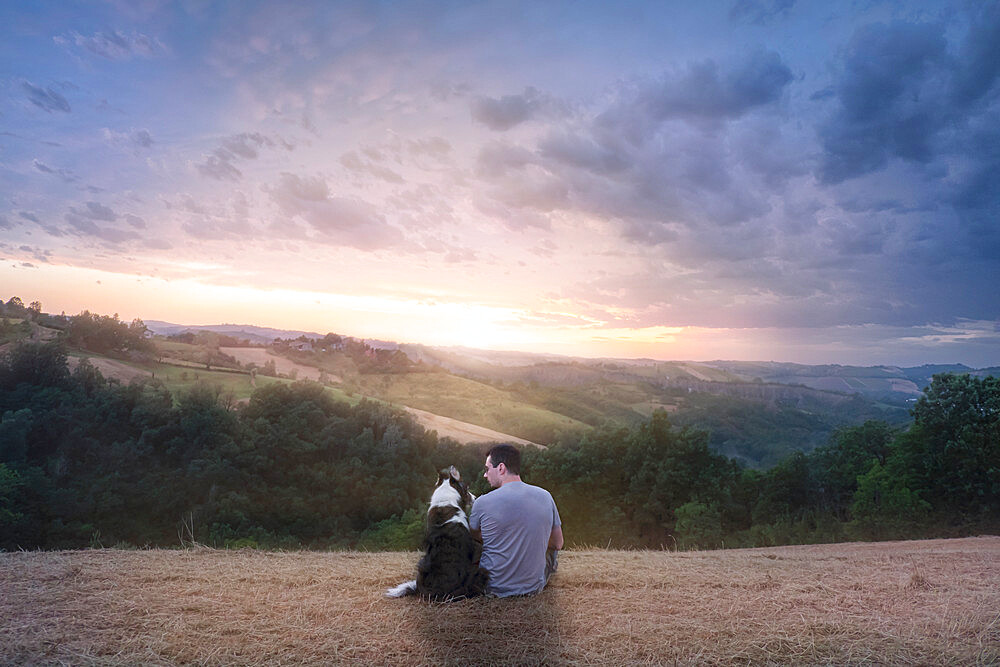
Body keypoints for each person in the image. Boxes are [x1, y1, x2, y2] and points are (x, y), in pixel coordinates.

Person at [469, 443, 563, 597]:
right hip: (534, 588)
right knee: (551, 551)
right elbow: (558, 543)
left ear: (501, 468)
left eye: (487, 469)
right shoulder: (545, 496)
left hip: (491, 587)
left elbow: (474, 536)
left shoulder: (482, 502)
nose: (485, 475)